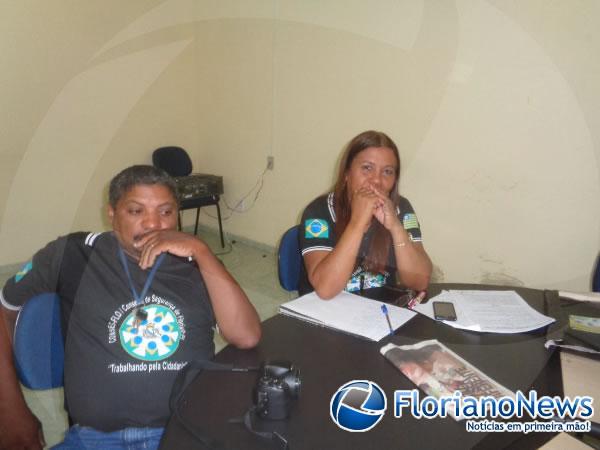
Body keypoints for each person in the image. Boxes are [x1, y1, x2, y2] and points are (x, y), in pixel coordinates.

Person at [0, 165, 261, 450]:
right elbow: (4, 310)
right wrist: (10, 408)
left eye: (166, 212)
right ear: (112, 214)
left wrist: (201, 251)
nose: (153, 224)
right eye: (136, 211)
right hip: (94, 439)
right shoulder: (72, 254)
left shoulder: (196, 262)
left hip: (185, 430)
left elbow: (246, 335)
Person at [298, 130, 432, 299]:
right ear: (347, 173)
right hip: (324, 312)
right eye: (367, 168)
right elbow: (326, 290)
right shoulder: (319, 211)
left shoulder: (400, 208)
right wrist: (358, 222)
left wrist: (396, 228)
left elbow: (419, 282)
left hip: (378, 311)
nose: (376, 180)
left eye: (387, 171)